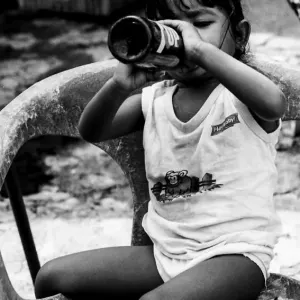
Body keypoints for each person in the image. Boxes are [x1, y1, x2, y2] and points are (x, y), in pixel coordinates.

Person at [34, 1, 286, 299]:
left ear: (240, 35)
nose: (185, 39)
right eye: (172, 27)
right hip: (165, 252)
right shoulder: (155, 99)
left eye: (200, 25)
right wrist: (119, 85)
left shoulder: (239, 97)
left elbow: (274, 103)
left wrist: (201, 51)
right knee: (50, 278)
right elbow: (92, 131)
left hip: (235, 257)